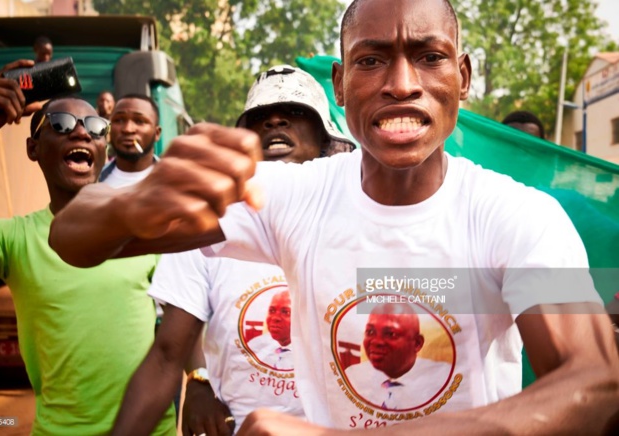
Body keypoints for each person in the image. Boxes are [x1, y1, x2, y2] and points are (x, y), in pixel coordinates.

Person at [50, 0, 619, 434]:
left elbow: (597, 383)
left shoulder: (520, 215)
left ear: (462, 78)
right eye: (372, 60)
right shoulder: (292, 195)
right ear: (342, 85)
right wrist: (133, 202)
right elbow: (72, 236)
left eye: (429, 57)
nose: (401, 84)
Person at [111, 65, 355, 436]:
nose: (275, 121)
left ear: (324, 141)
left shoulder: (355, 220)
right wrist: (198, 379)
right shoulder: (206, 226)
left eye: (294, 112)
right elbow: (166, 354)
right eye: (260, 118)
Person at [0, 70, 175, 435]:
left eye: (95, 126)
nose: (81, 132)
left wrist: (203, 379)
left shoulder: (143, 225)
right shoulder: (12, 238)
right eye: (60, 124)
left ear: (102, 149)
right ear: (33, 148)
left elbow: (183, 326)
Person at [344, 303, 452, 410]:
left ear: (417, 343)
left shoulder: (443, 377)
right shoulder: (353, 376)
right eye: (370, 332)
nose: (376, 341)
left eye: (391, 334)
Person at [99, 94, 161, 187]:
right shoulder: (95, 181)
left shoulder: (175, 181)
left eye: (139, 121)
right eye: (119, 120)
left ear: (157, 133)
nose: (127, 129)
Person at [247, 290, 294, 370]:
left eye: (286, 312)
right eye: (272, 311)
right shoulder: (254, 345)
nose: (275, 318)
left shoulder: (313, 352)